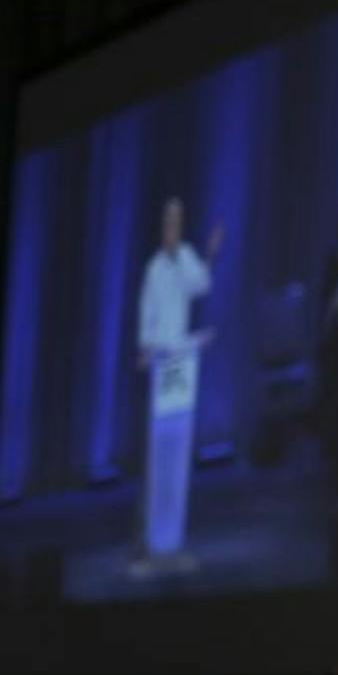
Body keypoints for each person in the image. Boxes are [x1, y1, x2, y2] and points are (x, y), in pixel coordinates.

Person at [133, 197, 223, 575]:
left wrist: (212, 253)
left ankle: (173, 542)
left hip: (184, 360)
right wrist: (145, 348)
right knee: (161, 452)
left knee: (178, 449)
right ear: (161, 225)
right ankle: (156, 544)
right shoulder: (154, 268)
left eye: (179, 221)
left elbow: (201, 283)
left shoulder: (184, 255)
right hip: (162, 361)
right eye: (169, 220)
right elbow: (147, 315)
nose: (174, 227)